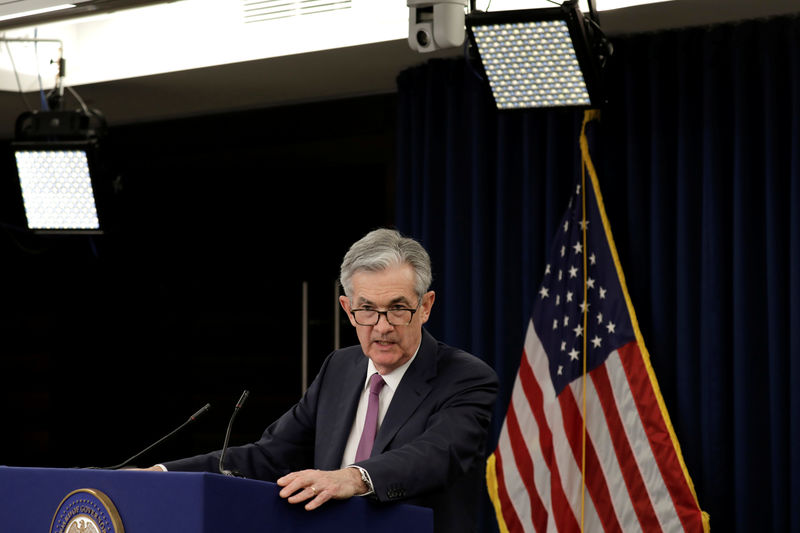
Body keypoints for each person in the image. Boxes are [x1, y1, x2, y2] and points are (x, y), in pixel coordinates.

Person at [150, 228, 499, 533]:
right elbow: (269, 456)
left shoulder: (465, 377)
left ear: (425, 306)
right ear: (347, 309)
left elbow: (435, 455)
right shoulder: (339, 367)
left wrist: (352, 477)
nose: (381, 326)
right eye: (367, 310)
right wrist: (160, 474)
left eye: (397, 308)